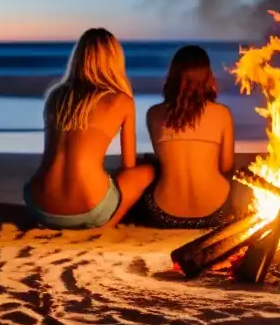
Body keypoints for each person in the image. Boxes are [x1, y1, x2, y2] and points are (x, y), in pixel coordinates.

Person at [25, 28, 154, 229]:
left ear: (79, 57)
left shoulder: (55, 95)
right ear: (114, 60)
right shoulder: (121, 101)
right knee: (145, 172)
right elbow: (128, 167)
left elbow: (51, 154)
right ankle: (109, 223)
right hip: (89, 209)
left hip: (40, 206)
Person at [137, 45, 243, 229]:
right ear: (208, 76)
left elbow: (164, 161)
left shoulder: (153, 113)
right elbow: (226, 166)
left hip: (163, 215)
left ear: (173, 76)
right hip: (216, 213)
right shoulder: (222, 114)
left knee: (147, 170)